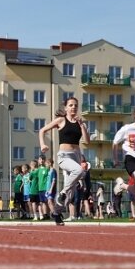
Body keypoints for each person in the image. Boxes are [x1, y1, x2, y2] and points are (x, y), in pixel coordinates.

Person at [38, 96, 90, 224]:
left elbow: (87, 141)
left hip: (76, 156)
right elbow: (42, 130)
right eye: (71, 105)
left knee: (71, 194)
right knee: (79, 171)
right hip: (64, 156)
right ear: (66, 108)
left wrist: (82, 124)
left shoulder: (80, 123)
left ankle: (56, 212)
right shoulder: (61, 120)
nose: (74, 107)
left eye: (76, 105)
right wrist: (42, 144)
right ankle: (61, 193)